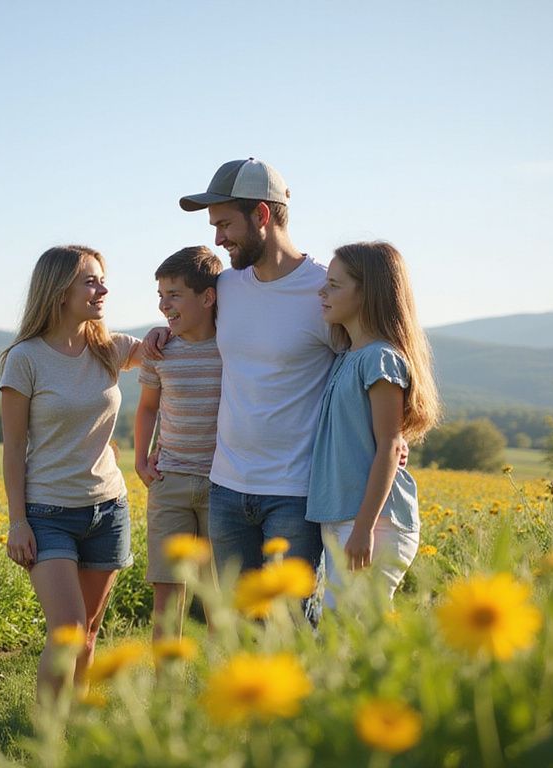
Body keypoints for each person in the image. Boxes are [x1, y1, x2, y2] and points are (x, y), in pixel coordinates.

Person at [150, 158, 337, 579]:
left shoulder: (324, 291)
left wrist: (393, 438)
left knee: (290, 624)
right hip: (227, 490)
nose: (217, 239)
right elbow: (189, 322)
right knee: (237, 629)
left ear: (262, 215)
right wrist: (158, 334)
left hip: (296, 494)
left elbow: (365, 370)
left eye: (225, 225)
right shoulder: (227, 287)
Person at [0, 245, 142, 704]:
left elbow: (170, 347)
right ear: (59, 291)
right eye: (91, 281)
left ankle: (75, 729)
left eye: (102, 279)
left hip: (108, 509)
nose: (103, 289)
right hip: (48, 513)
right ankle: (44, 736)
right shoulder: (25, 359)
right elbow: (14, 446)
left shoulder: (111, 348)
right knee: (68, 632)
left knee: (89, 634)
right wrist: (17, 521)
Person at [308, 241, 440, 609]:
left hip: (374, 522)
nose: (322, 292)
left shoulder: (379, 359)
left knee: (350, 633)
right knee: (344, 634)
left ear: (368, 292)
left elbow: (390, 445)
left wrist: (364, 527)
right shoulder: (347, 357)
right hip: (347, 517)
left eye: (334, 285)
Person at [133, 245, 223, 641]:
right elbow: (148, 408)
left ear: (207, 296)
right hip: (169, 483)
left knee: (219, 598)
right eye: (160, 295)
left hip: (224, 486)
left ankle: (227, 691)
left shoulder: (232, 347)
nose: (163, 305)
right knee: (168, 600)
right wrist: (139, 459)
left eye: (174, 295)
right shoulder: (160, 350)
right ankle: (165, 698)